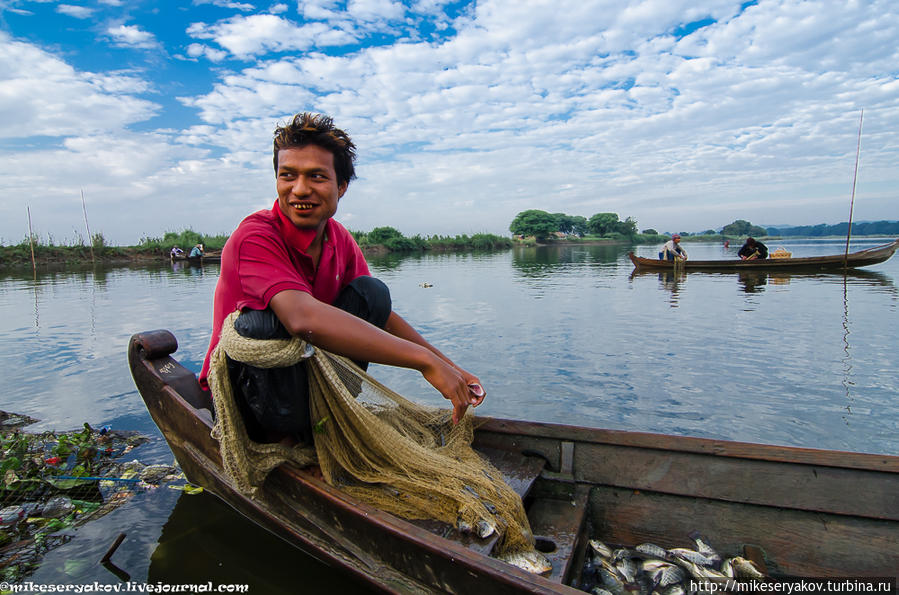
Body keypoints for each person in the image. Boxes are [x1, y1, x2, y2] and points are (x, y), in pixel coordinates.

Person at [199, 112, 483, 444]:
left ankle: (321, 422)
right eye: (287, 175)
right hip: (244, 401)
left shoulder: (338, 239)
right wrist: (422, 363)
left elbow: (383, 318)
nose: (300, 190)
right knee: (265, 323)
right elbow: (302, 318)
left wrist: (447, 366)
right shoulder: (256, 236)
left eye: (317, 177)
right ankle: (286, 439)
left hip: (304, 388)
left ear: (341, 187)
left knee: (371, 294)